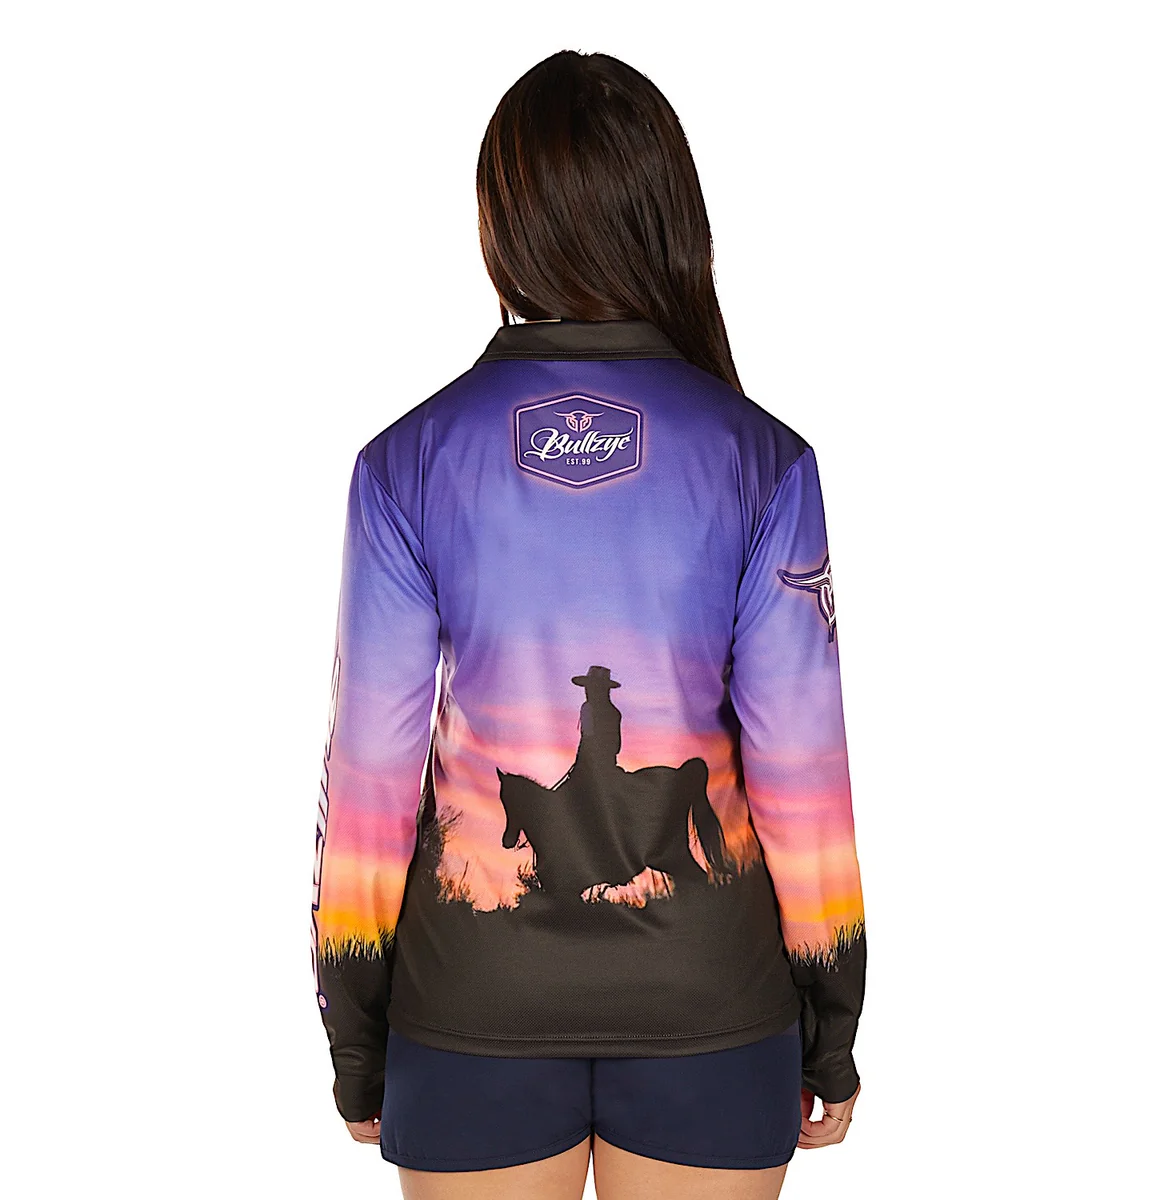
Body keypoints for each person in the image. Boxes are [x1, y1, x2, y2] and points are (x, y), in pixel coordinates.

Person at [310, 50, 866, 1200]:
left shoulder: (407, 463)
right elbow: (804, 776)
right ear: (669, 217)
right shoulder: (763, 460)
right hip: (714, 1016)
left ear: (502, 223)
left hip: (471, 1018)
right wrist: (833, 1021)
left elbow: (369, 779)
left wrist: (355, 1031)